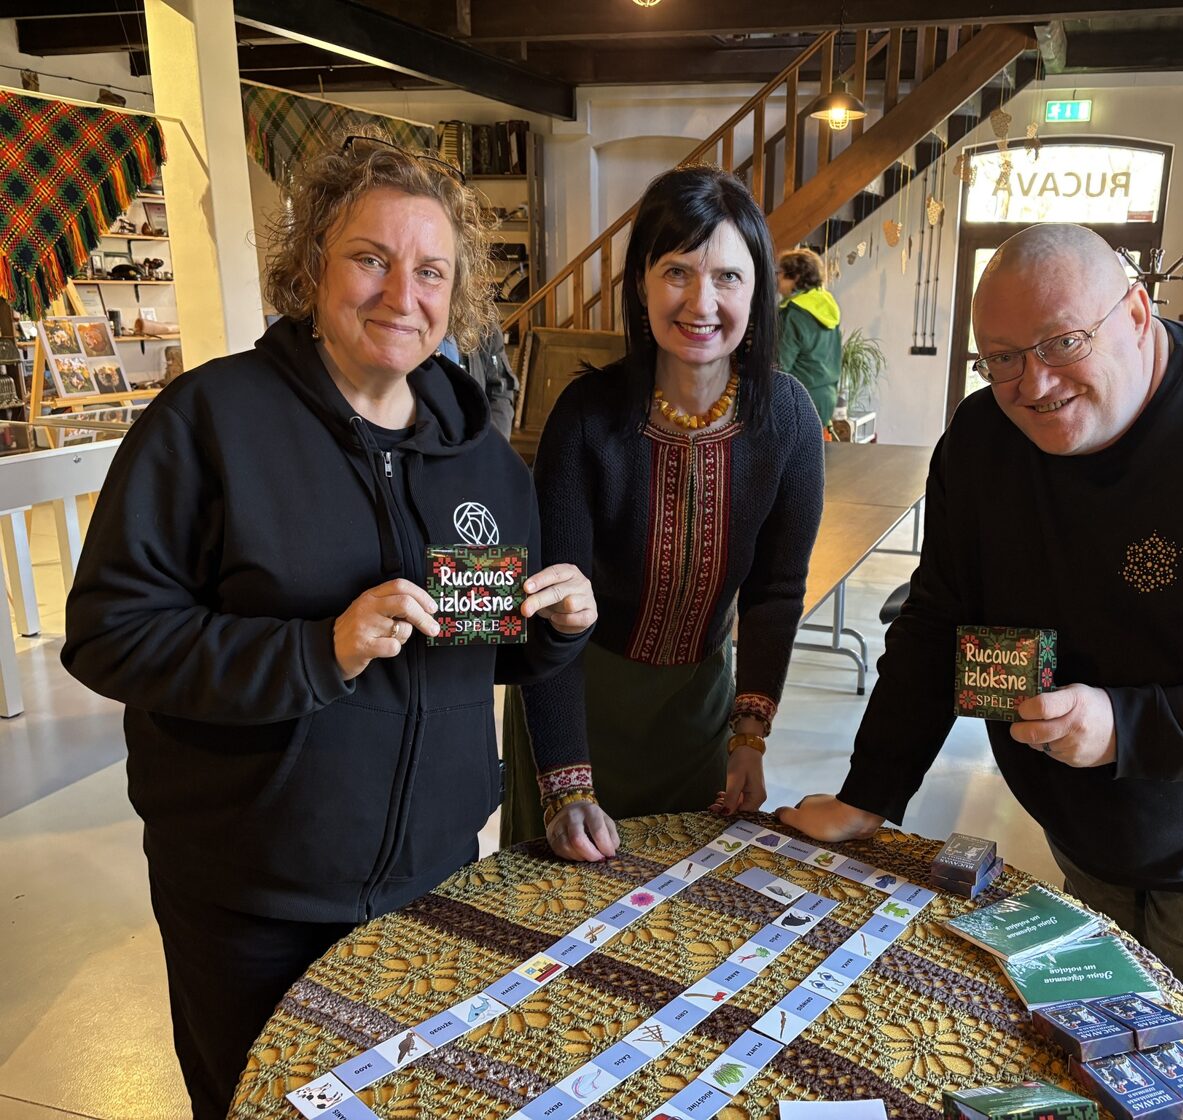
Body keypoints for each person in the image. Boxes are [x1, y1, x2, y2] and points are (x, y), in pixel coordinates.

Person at [779, 223, 1183, 1082]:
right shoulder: (982, 437)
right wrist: (870, 793)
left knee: (1181, 1073)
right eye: (1001, 358)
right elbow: (937, 621)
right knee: (1087, 1051)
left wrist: (1127, 726)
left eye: (1063, 343)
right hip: (1084, 827)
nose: (1033, 385)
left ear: (1137, 313)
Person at [61, 133, 597, 1119]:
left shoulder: (481, 458)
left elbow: (482, 650)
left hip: (433, 881)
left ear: (456, 296)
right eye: (369, 258)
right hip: (253, 897)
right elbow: (110, 633)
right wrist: (319, 649)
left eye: (429, 270)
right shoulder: (211, 419)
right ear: (311, 267)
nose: (401, 293)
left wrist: (553, 627)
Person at [502, 166, 825, 860]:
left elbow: (775, 592)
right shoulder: (585, 417)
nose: (701, 302)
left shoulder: (790, 419)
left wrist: (748, 734)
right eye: (677, 271)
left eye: (728, 277)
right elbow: (549, 602)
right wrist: (565, 785)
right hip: (575, 706)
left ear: (759, 291)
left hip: (698, 710)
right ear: (641, 284)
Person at [775, 246, 843, 426]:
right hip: (826, 397)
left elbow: (779, 365)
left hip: (799, 398)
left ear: (796, 277)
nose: (777, 278)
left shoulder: (793, 313)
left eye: (781, 274)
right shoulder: (826, 306)